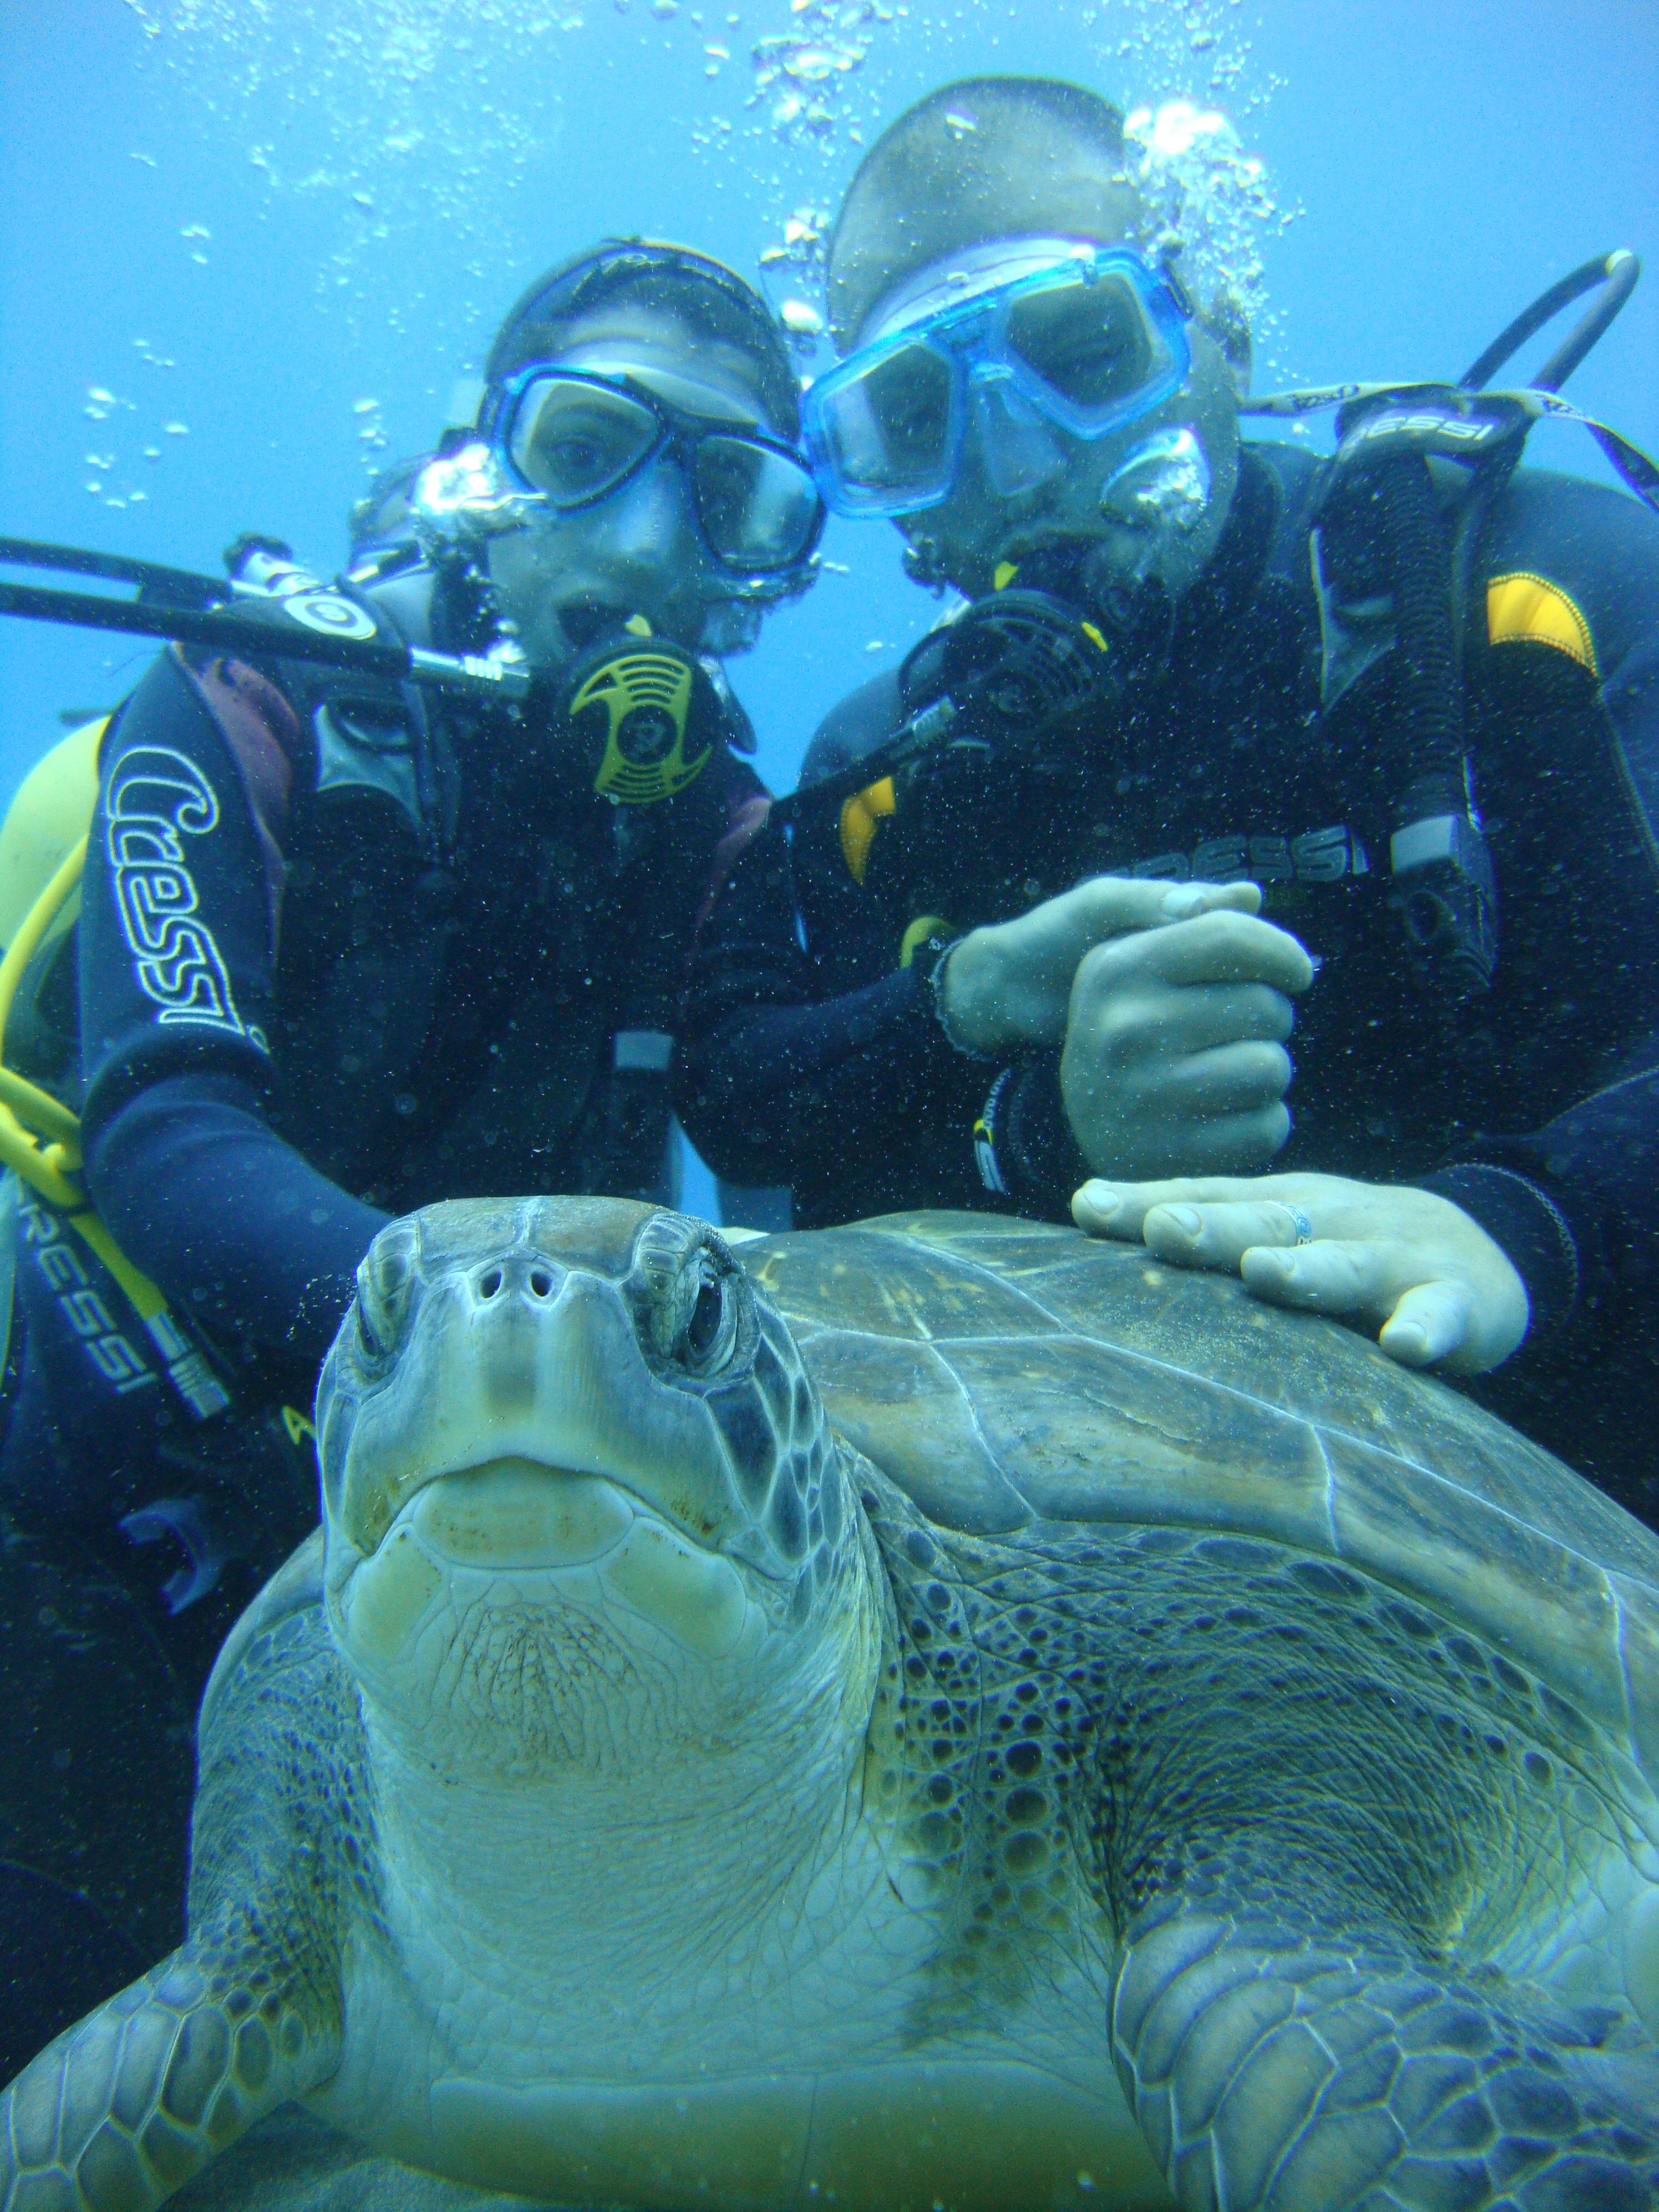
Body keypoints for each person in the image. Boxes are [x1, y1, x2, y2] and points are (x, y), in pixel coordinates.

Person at [0, 237, 823, 2067]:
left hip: (470, 1508)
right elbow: (163, 1125)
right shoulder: (249, 705)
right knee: (74, 1988)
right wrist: (469, 1353)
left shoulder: (707, 823)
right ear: (479, 465)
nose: (640, 540)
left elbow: (776, 1113)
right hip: (98, 1468)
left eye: (730, 491)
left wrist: (981, 1016)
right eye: (587, 442)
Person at [675, 77, 1659, 1522]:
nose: (1019, 469)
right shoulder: (887, 772)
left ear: (1220, 334)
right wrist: (1029, 1110)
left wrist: (1529, 1224)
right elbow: (774, 1143)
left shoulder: (1529, 602)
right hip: (1100, 1579)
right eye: (915, 415)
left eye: (1082, 351)